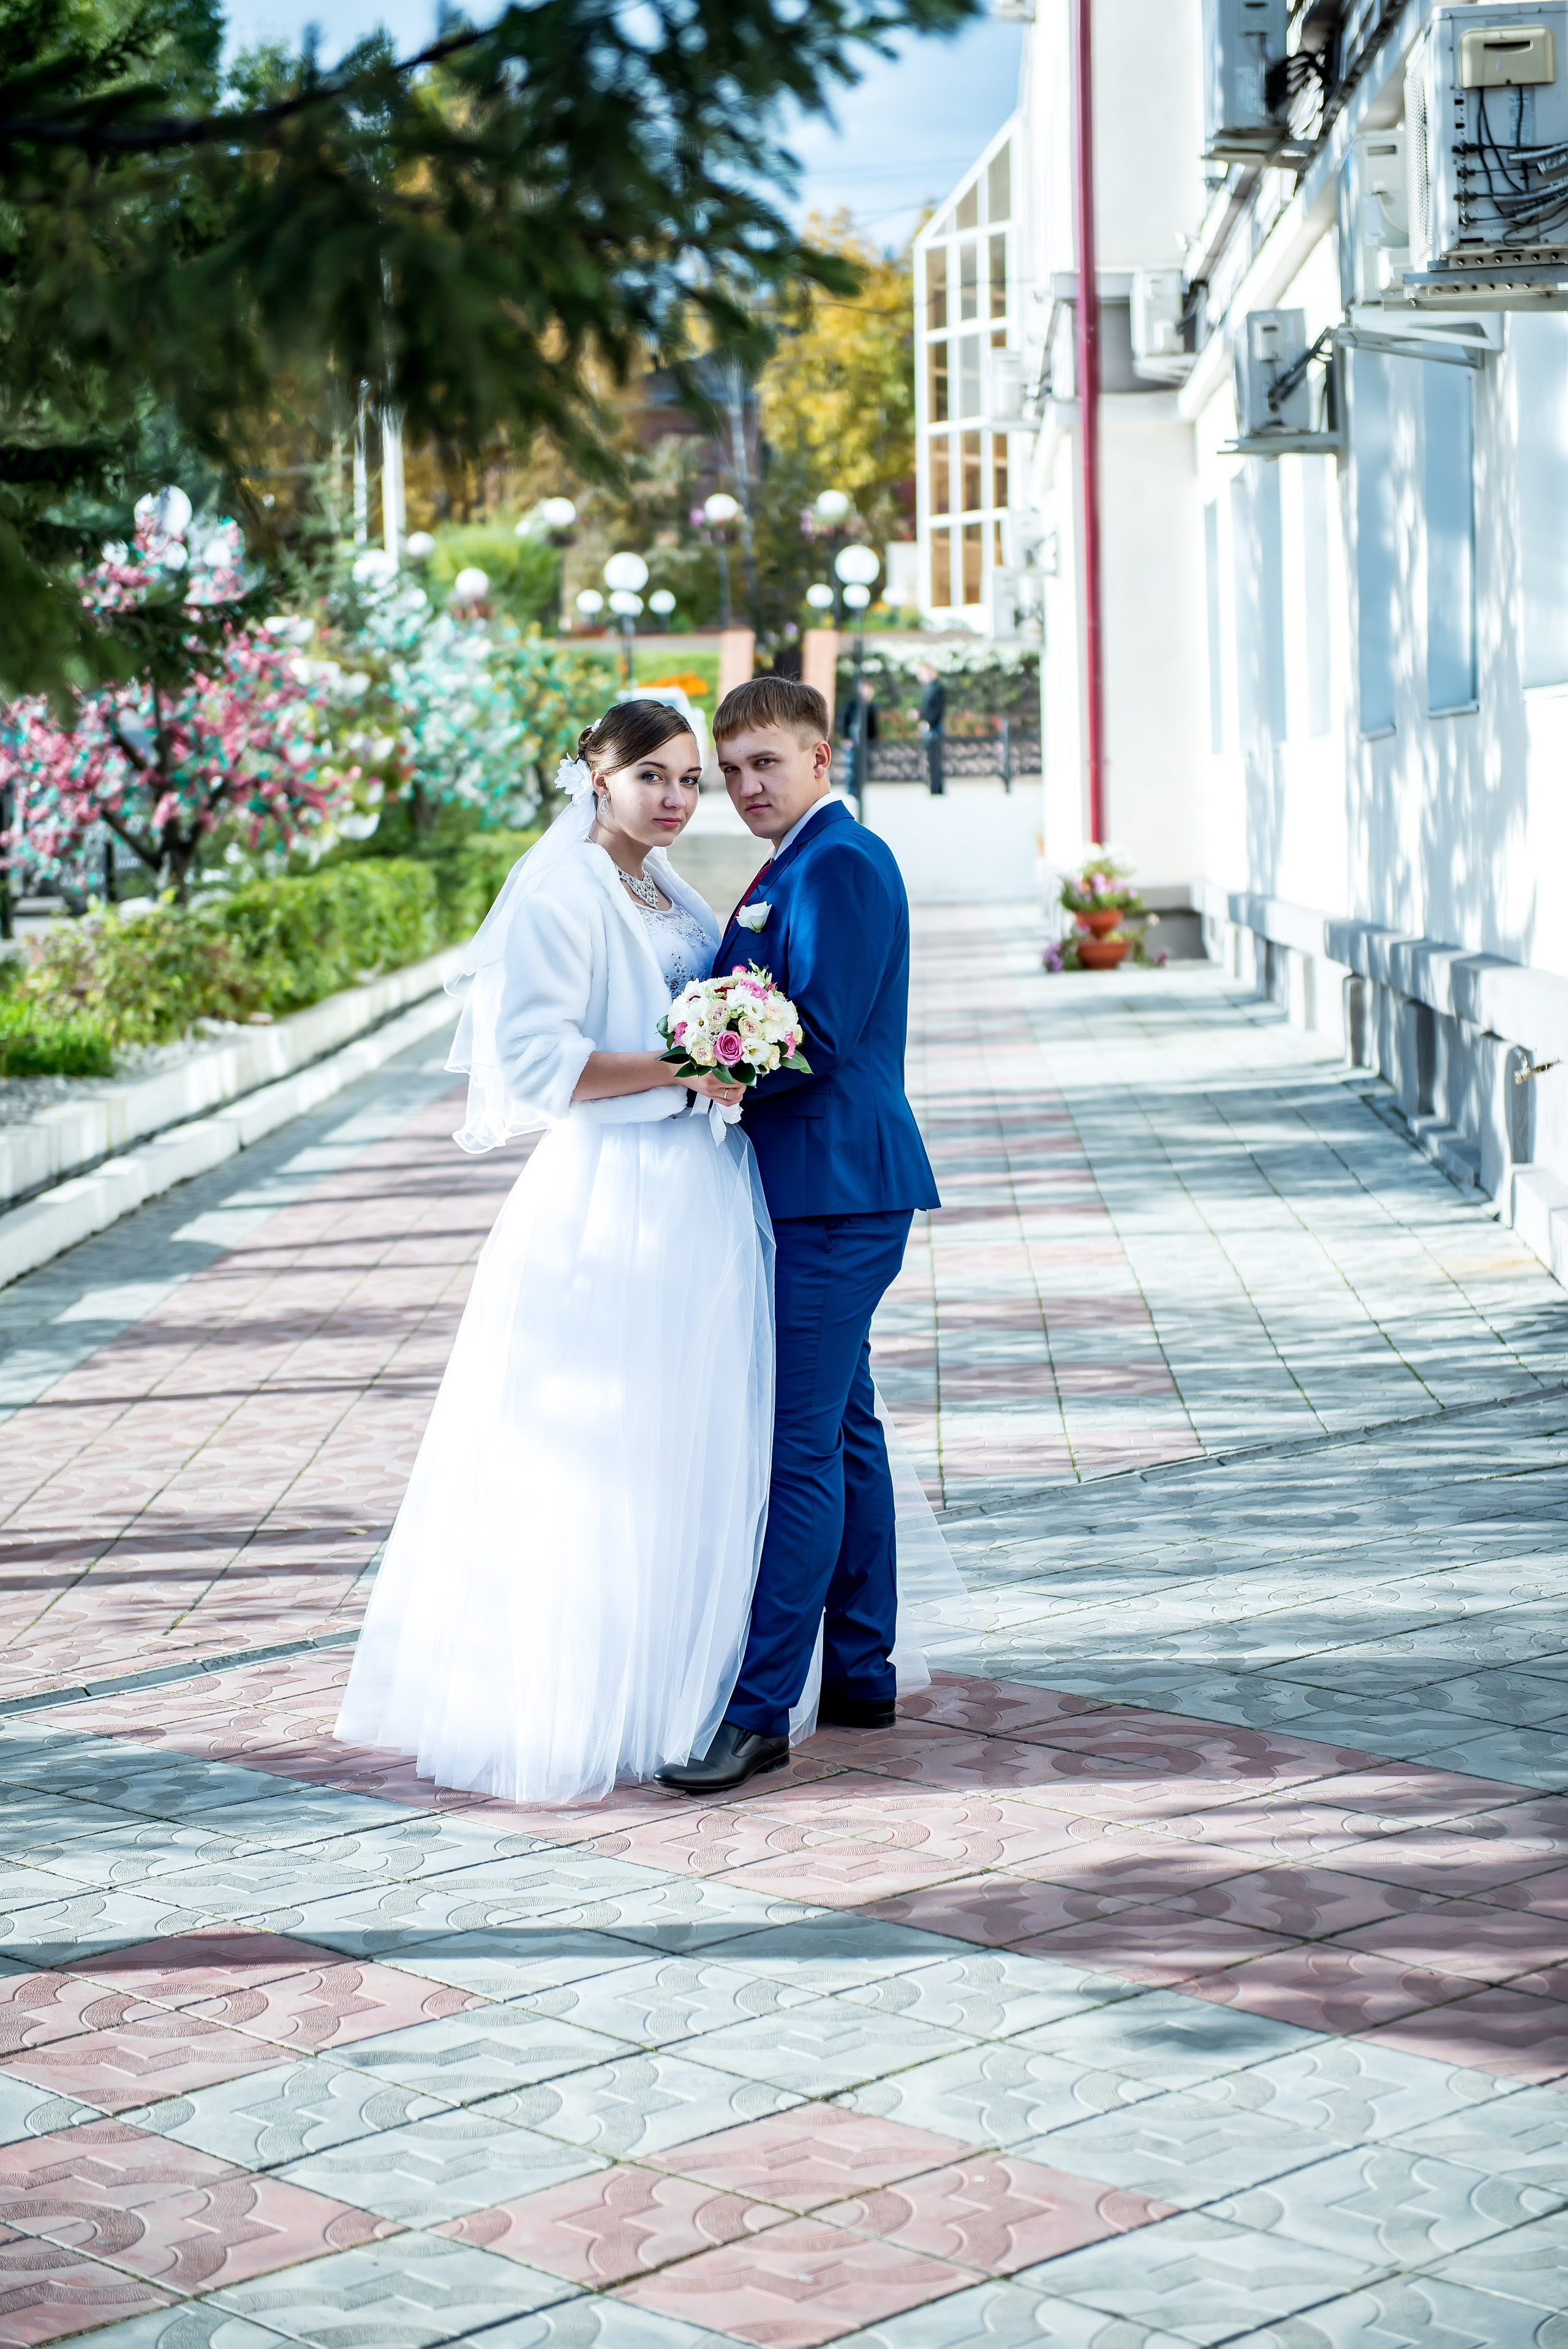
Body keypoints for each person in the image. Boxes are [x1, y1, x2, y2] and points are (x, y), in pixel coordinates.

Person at [333, 701, 772, 1805]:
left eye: (689, 781)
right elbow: (536, 1062)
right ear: (597, 776)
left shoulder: (661, 883)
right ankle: (592, 1695)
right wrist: (685, 1064)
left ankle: (687, 1677)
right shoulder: (565, 887)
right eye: (653, 779)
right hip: (613, 1197)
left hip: (699, 1184)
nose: (676, 800)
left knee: (695, 1435)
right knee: (611, 1443)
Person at [657, 677, 943, 1796]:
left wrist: (691, 1070)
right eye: (729, 773)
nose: (743, 788)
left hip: (837, 1186)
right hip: (809, 1186)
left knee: (799, 1449)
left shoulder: (842, 864)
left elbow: (811, 1035)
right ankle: (862, 1667)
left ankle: (761, 1708)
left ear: (821, 758)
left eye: (763, 764)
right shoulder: (791, 866)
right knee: (847, 1424)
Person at [916, 662, 946, 796]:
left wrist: (926, 720)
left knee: (935, 758)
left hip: (934, 728)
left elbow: (936, 710)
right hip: (931, 727)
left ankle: (937, 786)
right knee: (932, 758)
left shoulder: (936, 688)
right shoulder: (931, 688)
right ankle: (935, 786)